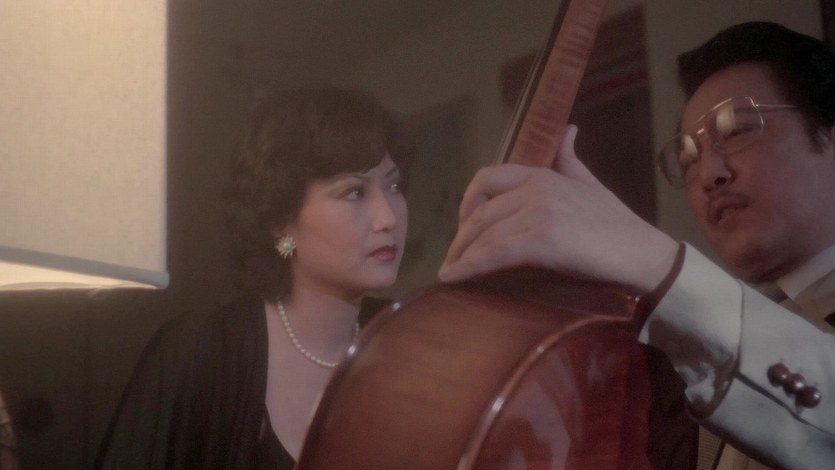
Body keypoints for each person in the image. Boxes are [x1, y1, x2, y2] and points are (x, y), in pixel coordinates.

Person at [438, 22, 835, 470]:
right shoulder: (677, 365)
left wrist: (652, 261)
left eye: (738, 130)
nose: (709, 175)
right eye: (688, 158)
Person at [94, 87, 412, 469]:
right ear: (281, 219)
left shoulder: (410, 339)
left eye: (394, 186)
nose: (388, 218)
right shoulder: (200, 351)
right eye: (354, 192)